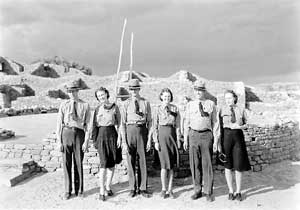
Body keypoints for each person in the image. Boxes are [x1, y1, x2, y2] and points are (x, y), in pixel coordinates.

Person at [183, 80, 220, 202]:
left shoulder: (211, 104)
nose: (198, 92)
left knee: (207, 164)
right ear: (194, 91)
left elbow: (215, 123)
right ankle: (197, 190)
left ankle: (208, 191)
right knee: (195, 164)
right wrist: (185, 139)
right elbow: (186, 122)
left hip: (206, 135)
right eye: (196, 90)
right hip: (193, 135)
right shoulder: (190, 105)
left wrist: (215, 140)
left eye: (200, 90)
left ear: (204, 91)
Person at [56, 79, 91, 200]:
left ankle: (80, 190)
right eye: (70, 91)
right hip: (66, 133)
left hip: (79, 134)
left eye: (74, 91)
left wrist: (86, 141)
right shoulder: (63, 105)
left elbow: (88, 125)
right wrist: (59, 141)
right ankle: (67, 190)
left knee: (78, 163)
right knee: (66, 164)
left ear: (78, 91)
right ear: (68, 92)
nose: (72, 93)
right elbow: (59, 124)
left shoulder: (85, 105)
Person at [120, 79, 152, 198]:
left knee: (142, 160)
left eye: (136, 88)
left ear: (139, 89)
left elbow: (150, 121)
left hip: (142, 130)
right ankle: (132, 188)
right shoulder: (125, 103)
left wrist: (149, 139)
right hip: (130, 131)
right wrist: (124, 141)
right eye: (131, 89)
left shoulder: (145, 102)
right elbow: (122, 123)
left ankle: (143, 188)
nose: (134, 91)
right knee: (131, 160)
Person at [90, 87, 122, 201]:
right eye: (99, 96)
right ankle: (101, 190)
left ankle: (108, 186)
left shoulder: (115, 107)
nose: (101, 97)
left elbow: (120, 123)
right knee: (103, 165)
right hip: (101, 137)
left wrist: (119, 138)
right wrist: (95, 141)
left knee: (112, 164)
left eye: (102, 95)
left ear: (107, 94)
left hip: (113, 135)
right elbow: (93, 126)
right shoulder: (97, 109)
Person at [219, 90, 251, 201]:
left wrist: (239, 127)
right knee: (227, 166)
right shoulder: (221, 109)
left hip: (238, 138)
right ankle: (230, 191)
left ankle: (238, 191)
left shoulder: (241, 109)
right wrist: (219, 143)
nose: (228, 100)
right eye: (226, 98)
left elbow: (247, 124)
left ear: (234, 98)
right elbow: (218, 127)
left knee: (238, 166)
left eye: (230, 98)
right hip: (226, 137)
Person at [150, 88, 181, 199]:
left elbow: (177, 125)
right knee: (164, 166)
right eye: (165, 96)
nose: (167, 98)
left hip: (172, 137)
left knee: (171, 166)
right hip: (162, 137)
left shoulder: (175, 108)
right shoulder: (157, 109)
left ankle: (170, 189)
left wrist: (178, 140)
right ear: (161, 97)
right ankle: (163, 189)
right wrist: (155, 141)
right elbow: (154, 126)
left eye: (169, 96)